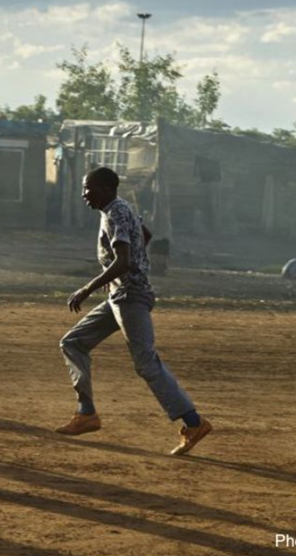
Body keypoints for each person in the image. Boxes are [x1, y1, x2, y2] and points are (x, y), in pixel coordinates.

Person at [56, 167, 211, 455]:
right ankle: (86, 413)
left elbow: (124, 259)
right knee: (72, 342)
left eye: (88, 188)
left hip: (131, 297)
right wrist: (120, 270)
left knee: (146, 363)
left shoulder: (116, 212)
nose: (83, 194)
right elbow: (144, 236)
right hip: (121, 295)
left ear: (104, 188)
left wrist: (87, 288)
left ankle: (194, 422)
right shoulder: (121, 209)